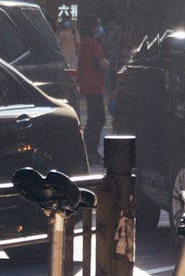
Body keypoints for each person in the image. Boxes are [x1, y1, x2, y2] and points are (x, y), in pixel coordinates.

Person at [76, 15, 109, 165]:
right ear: (92, 28)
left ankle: (89, 150)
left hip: (89, 85)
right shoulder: (93, 44)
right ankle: (90, 150)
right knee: (98, 118)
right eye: (97, 25)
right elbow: (101, 63)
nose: (99, 28)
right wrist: (108, 63)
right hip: (94, 86)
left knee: (94, 118)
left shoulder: (85, 43)